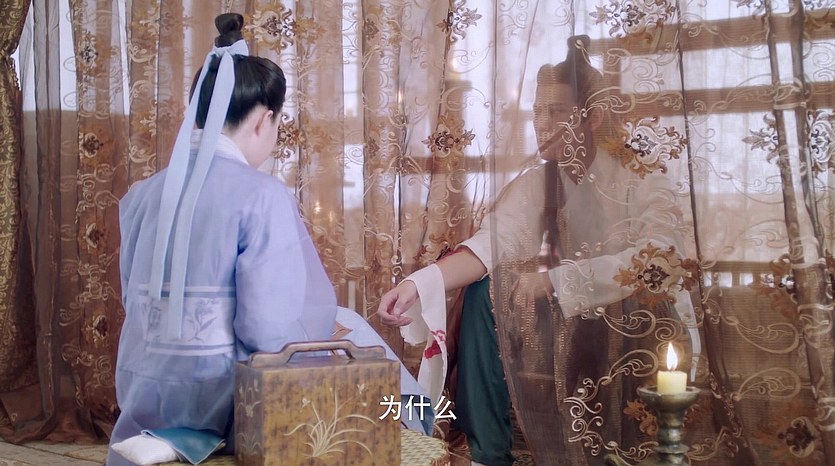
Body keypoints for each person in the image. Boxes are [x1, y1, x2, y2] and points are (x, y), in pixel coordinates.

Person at [109, 13, 428, 466]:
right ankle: (421, 423)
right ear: (264, 120)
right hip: (227, 402)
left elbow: (133, 301)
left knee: (340, 323)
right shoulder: (261, 195)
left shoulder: (142, 195)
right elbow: (270, 333)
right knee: (353, 331)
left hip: (144, 390)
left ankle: (166, 436)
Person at [378, 35, 700, 466]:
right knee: (485, 289)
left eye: (556, 112)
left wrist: (555, 281)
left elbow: (661, 259)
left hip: (637, 322)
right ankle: (488, 453)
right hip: (571, 321)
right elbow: (491, 245)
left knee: (637, 304)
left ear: (592, 116)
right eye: (537, 112)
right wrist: (417, 284)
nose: (542, 125)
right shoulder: (538, 182)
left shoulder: (640, 178)